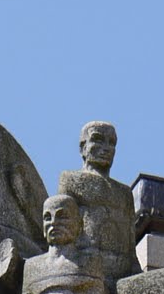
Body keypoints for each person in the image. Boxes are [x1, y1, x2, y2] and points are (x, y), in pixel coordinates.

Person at [59, 121, 141, 283]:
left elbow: (131, 245)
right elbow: (61, 228)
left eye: (111, 143)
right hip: (85, 267)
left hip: (123, 272)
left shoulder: (124, 193)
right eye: (98, 140)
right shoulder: (70, 180)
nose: (106, 148)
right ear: (83, 147)